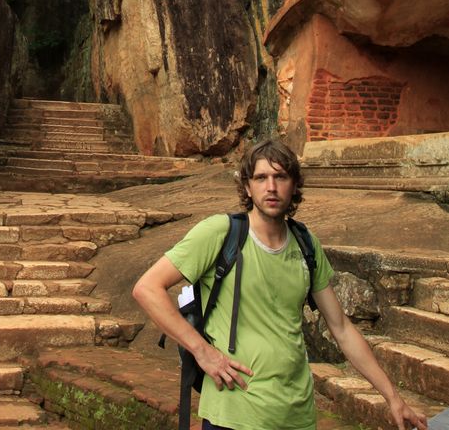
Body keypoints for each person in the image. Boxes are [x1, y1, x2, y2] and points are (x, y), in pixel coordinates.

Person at [132, 138, 427, 430]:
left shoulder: (306, 244)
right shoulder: (220, 233)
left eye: (280, 177)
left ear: (294, 185)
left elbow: (342, 328)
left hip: (296, 414)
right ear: (247, 186)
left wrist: (392, 397)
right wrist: (202, 351)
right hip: (234, 413)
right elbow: (147, 288)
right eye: (261, 177)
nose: (271, 187)